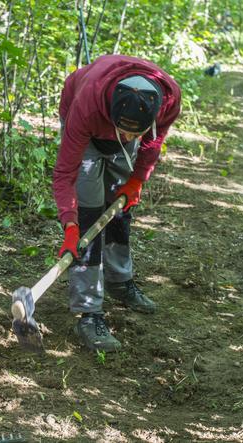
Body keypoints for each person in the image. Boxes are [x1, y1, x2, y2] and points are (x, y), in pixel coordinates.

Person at [54, 55, 181, 352]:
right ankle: (89, 311)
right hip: (86, 123)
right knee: (90, 212)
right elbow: (64, 174)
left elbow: (152, 143)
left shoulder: (169, 99)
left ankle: (119, 281)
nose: (126, 138)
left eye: (132, 133)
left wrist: (137, 180)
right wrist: (71, 225)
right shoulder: (85, 105)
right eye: (123, 131)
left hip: (114, 121)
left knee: (119, 204)